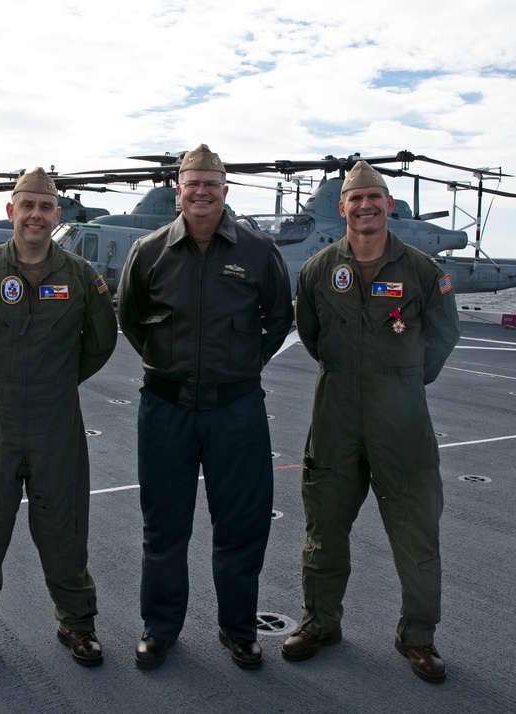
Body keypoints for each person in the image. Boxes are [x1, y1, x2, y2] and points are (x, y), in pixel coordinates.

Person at [0, 167, 118, 679]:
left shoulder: (81, 275)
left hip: (55, 417)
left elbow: (101, 341)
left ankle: (76, 623)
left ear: (57, 215)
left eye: (46, 207)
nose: (36, 215)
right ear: (12, 211)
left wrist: (57, 381)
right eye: (27, 205)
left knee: (64, 524)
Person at [281, 160, 460, 683]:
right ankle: (320, 623)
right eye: (355, 199)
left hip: (401, 420)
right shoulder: (319, 270)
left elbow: (444, 336)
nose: (365, 206)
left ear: (387, 204)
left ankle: (419, 638)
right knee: (324, 528)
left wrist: (403, 378)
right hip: (335, 413)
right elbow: (311, 333)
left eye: (374, 197)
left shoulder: (423, 271)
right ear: (343, 208)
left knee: (417, 532)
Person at [117, 144, 293, 670]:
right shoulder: (149, 251)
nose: (201, 192)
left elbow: (279, 318)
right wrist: (163, 364)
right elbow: (130, 316)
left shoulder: (258, 251)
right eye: (192, 183)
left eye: (210, 184)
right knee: (164, 527)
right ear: (178, 190)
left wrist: (243, 366)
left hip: (236, 410)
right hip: (166, 409)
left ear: (224, 191)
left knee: (240, 525)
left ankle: (238, 630)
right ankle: (160, 628)